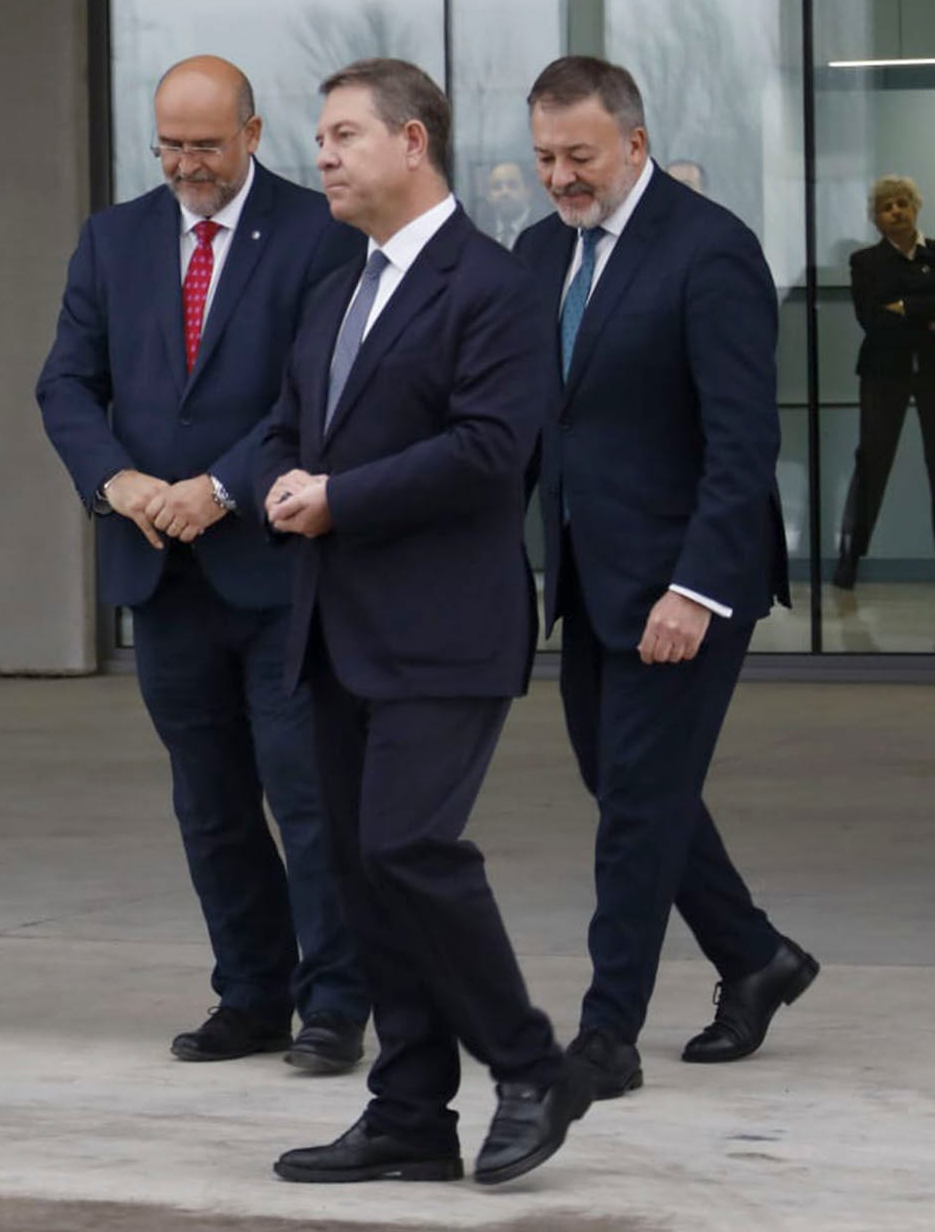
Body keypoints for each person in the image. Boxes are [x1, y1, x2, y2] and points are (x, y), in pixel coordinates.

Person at [260, 59, 585, 1189]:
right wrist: (246, 482)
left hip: (444, 628)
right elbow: (289, 424)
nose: (325, 156)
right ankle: (408, 1108)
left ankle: (536, 1066)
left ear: (414, 142)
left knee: (409, 846)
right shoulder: (338, 289)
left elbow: (495, 450)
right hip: (336, 627)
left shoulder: (490, 286)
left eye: (346, 134)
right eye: (322, 137)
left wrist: (339, 496)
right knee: (363, 869)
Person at [37, 55, 367, 1074]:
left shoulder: (317, 234)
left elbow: (309, 399)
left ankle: (334, 1003)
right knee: (209, 799)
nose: (187, 165)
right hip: (160, 576)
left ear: (254, 135)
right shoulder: (114, 237)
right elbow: (66, 386)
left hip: (274, 569)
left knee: (304, 792)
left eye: (207, 147)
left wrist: (218, 487)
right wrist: (119, 483)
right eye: (170, 145)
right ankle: (251, 993)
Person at [514, 56, 813, 1100]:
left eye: (580, 155)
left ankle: (605, 1037)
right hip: (592, 580)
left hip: (687, 582)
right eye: (546, 156)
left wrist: (696, 589)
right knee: (630, 785)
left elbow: (742, 445)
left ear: (634, 144)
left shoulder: (710, 250)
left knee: (638, 803)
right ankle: (757, 956)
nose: (560, 177)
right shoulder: (538, 249)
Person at [834, 174, 935, 589]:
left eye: (902, 203)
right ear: (876, 219)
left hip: (931, 371)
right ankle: (850, 559)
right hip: (883, 373)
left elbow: (890, 311)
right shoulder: (865, 262)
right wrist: (925, 314)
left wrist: (903, 306)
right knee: (872, 463)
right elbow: (871, 320)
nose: (896, 211)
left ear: (916, 207)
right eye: (887, 206)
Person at [478, 160, 534, 248]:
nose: (504, 192)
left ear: (528, 191)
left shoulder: (545, 229)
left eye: (512, 185)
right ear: (489, 196)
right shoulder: (478, 230)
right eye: (497, 187)